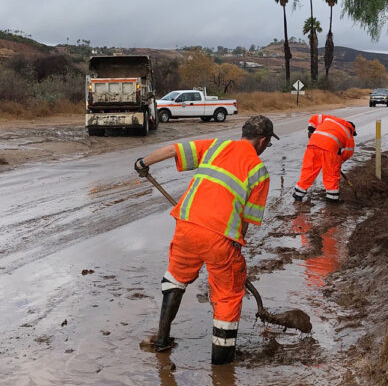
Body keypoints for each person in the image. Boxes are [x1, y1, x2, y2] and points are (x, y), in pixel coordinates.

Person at [133, 115, 276, 365]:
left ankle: (162, 341)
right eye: (268, 145)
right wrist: (236, 247)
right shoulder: (260, 172)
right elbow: (246, 221)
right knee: (227, 295)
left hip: (186, 227)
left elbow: (172, 149)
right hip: (220, 238)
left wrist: (142, 163)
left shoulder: (217, 146)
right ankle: (221, 365)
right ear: (263, 142)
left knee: (175, 280)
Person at [292, 113, 356, 203]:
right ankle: (332, 198)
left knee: (308, 170)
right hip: (329, 149)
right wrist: (339, 161)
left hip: (313, 144)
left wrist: (311, 130)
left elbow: (314, 117)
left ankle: (298, 194)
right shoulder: (349, 133)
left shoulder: (330, 119)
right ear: (353, 130)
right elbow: (348, 152)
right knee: (331, 173)